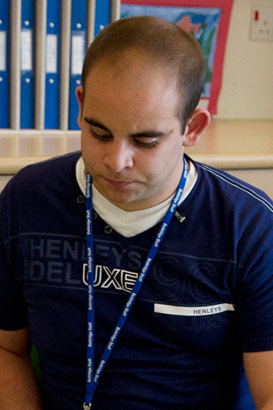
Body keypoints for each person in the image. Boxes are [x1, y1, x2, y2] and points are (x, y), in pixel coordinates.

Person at [0, 16, 273, 410]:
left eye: (145, 141)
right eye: (99, 133)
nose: (116, 161)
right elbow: (6, 349)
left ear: (192, 128)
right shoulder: (27, 200)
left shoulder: (249, 226)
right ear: (80, 106)